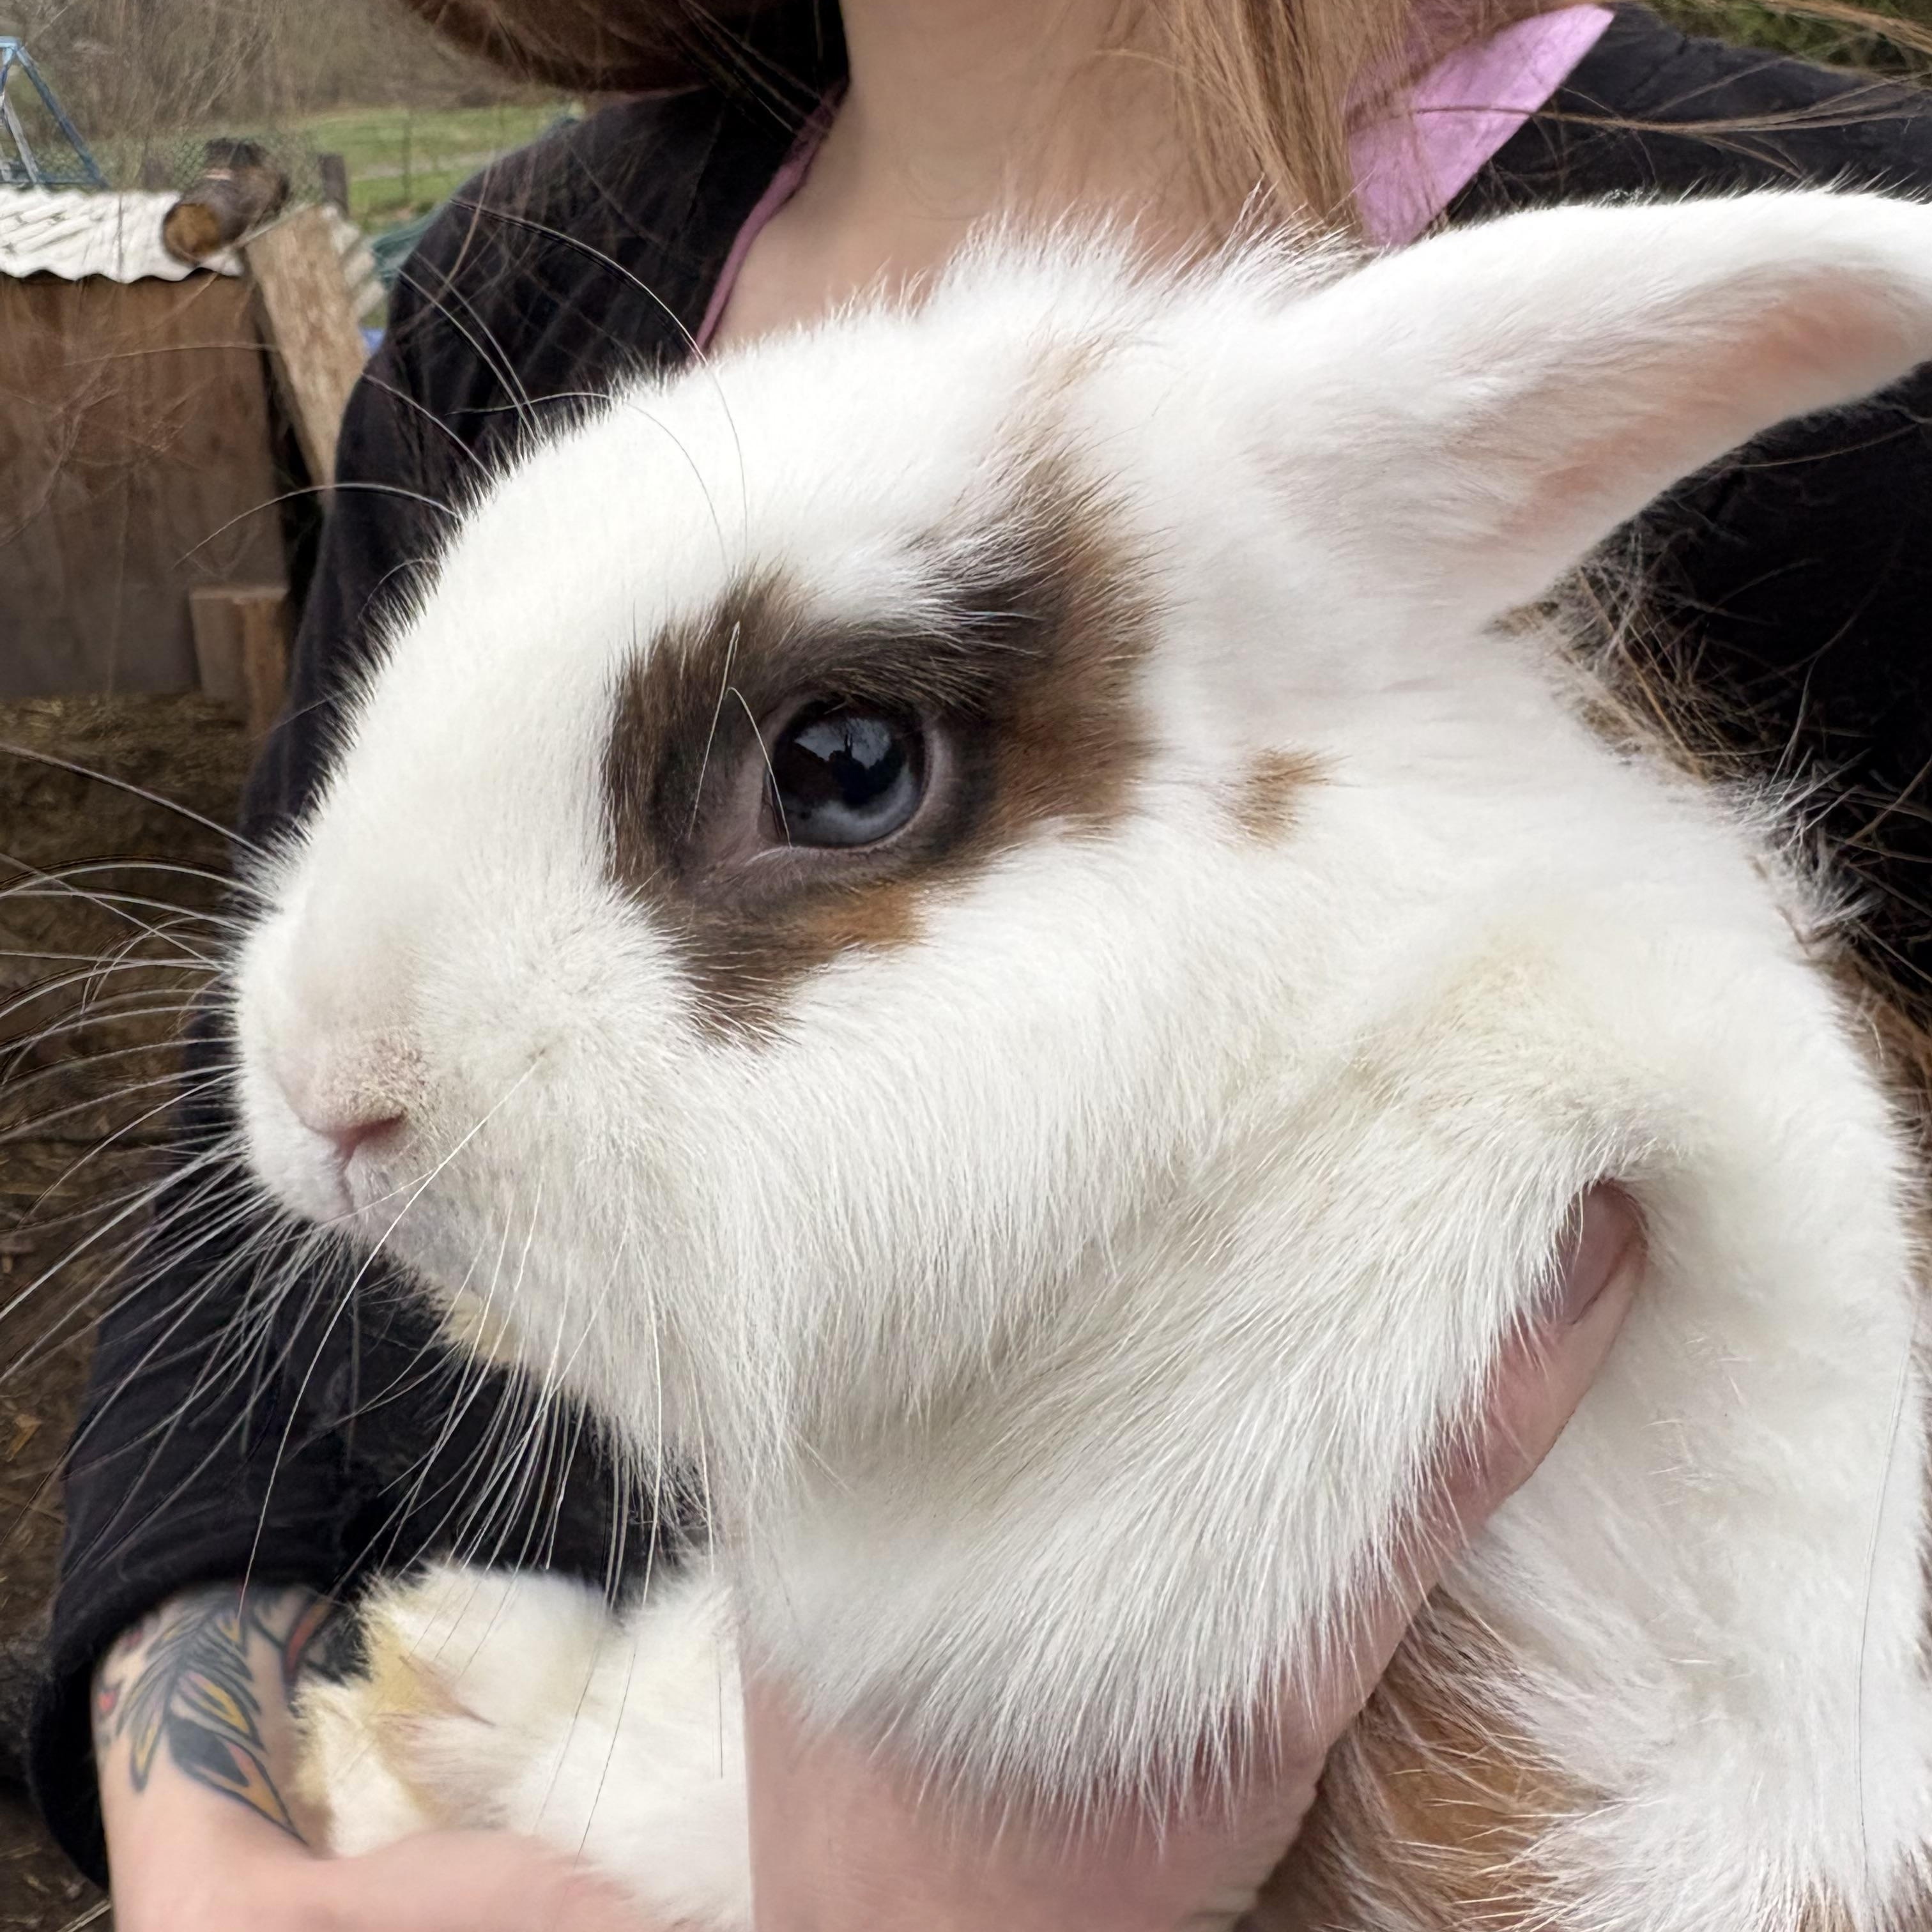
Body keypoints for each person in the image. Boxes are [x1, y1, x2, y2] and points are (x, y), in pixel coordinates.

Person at [28, 1, 1932, 1925]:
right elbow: (254, 1197)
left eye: (841, 769)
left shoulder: (1829, 389)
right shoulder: (520, 294)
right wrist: (210, 1861)